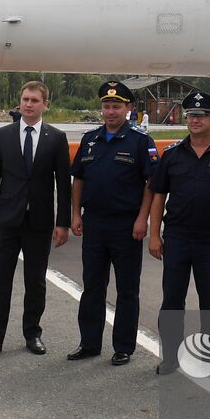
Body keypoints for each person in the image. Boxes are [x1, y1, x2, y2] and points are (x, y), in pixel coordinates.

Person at [150, 90, 210, 375]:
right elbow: (158, 195)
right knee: (172, 301)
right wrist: (155, 235)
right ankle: (170, 357)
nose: (195, 120)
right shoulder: (171, 154)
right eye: (191, 115)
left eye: (201, 116)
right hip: (177, 237)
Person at [0, 80, 72, 358]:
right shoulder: (3, 135)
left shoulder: (56, 138)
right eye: (25, 99)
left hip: (39, 224)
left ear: (45, 105)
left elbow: (63, 187)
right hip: (6, 221)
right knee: (0, 280)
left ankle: (33, 333)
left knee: (35, 281)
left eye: (34, 100)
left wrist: (62, 223)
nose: (28, 104)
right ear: (20, 102)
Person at [68, 81, 156, 367]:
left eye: (116, 106)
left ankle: (123, 346)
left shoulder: (141, 141)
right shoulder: (91, 139)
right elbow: (79, 178)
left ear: (128, 108)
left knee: (127, 289)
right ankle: (90, 343)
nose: (110, 111)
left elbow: (151, 183)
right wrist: (76, 214)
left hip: (126, 226)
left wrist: (143, 218)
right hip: (94, 223)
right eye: (106, 106)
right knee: (92, 285)